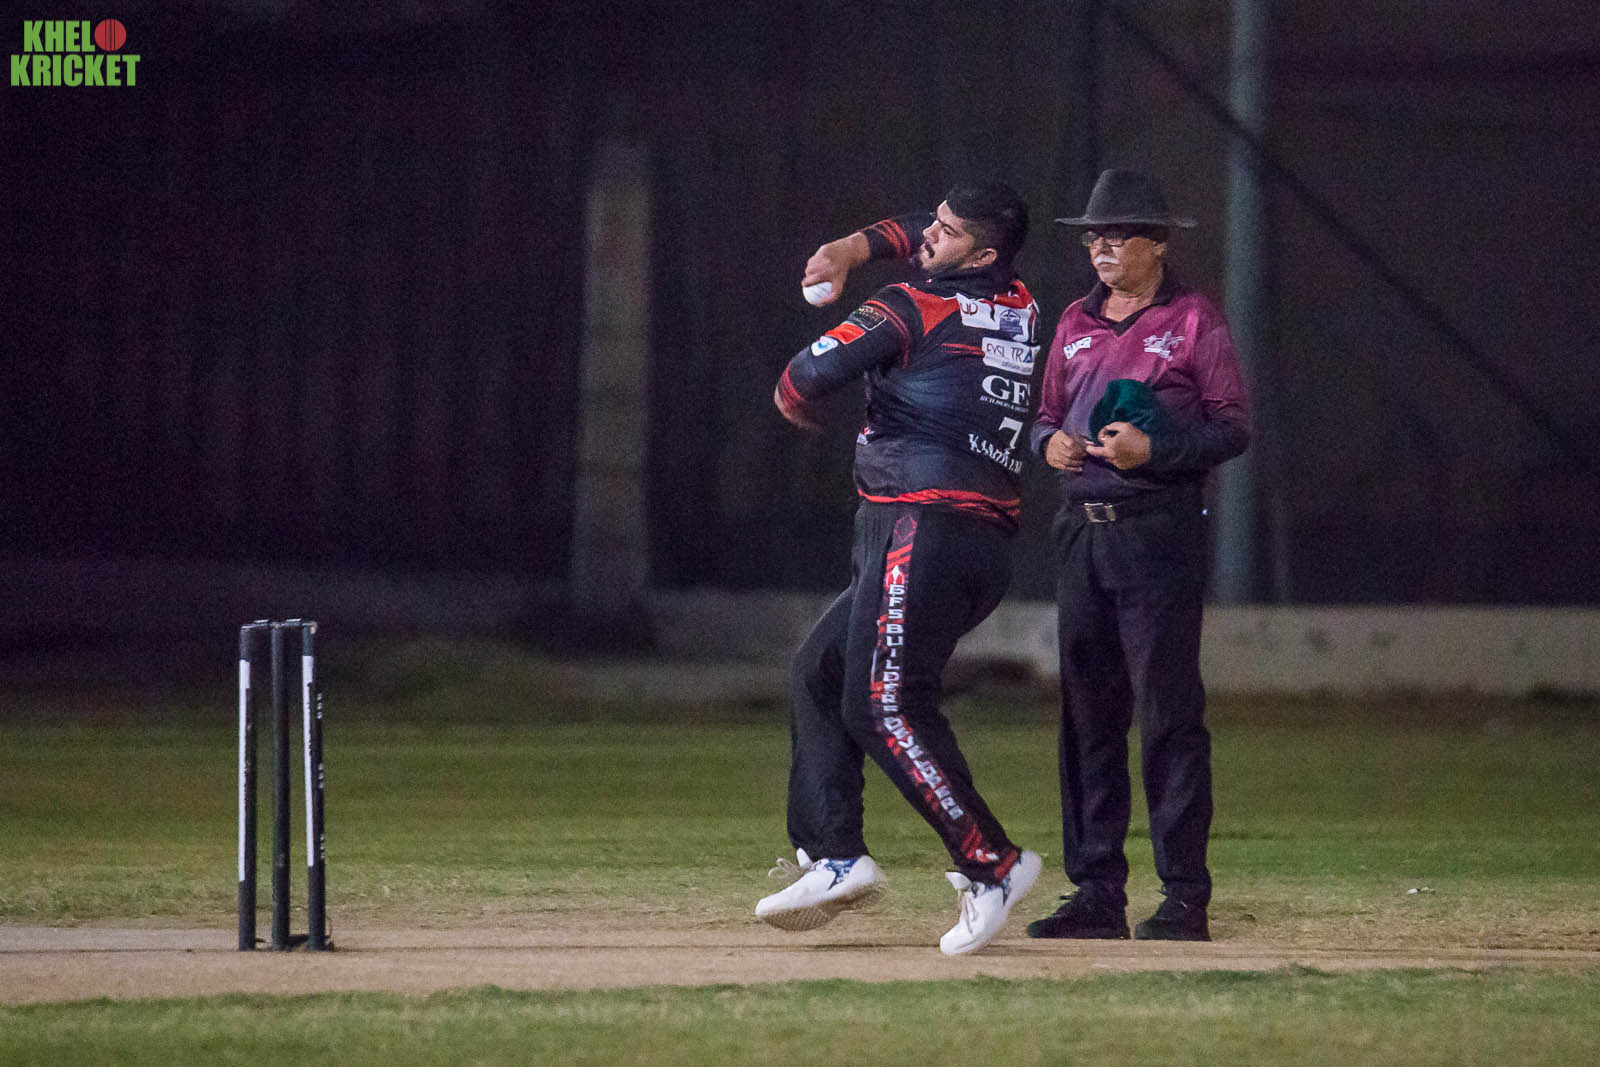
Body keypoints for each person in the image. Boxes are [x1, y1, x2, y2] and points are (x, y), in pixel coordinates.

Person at [756, 181, 1043, 956]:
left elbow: (800, 379)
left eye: (947, 235)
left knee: (885, 706)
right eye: (933, 225)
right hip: (977, 537)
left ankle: (992, 862)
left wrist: (793, 397)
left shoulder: (911, 306)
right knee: (820, 672)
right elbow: (933, 230)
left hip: (920, 523)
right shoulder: (1019, 302)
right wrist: (853, 247)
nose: (927, 239)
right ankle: (835, 855)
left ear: (980, 254)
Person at [1023, 169, 1251, 942]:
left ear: (1157, 243)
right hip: (1081, 530)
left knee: (1167, 714)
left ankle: (1184, 895)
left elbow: (1231, 427)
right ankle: (1096, 891)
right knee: (1087, 715)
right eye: (1094, 237)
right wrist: (1047, 444)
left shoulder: (1193, 321)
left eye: (1117, 236)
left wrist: (1156, 450)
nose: (1101, 248)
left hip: (1158, 530)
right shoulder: (1075, 321)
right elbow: (1045, 416)